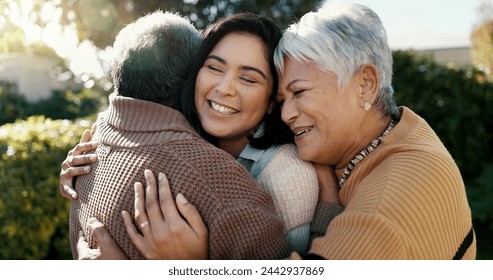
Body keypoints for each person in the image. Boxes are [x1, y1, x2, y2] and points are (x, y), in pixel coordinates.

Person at [82, 2, 476, 260]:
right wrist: (103, 147)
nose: (287, 113)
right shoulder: (374, 141)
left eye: (299, 92)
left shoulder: (398, 190)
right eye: (283, 96)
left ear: (366, 86)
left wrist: (190, 265)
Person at [67, 10, 291, 260]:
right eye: (214, 67)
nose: (224, 88)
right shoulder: (90, 151)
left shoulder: (286, 174)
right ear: (192, 75)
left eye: (248, 78)